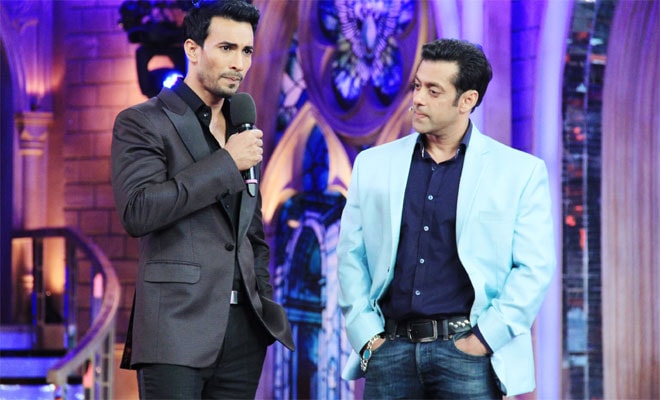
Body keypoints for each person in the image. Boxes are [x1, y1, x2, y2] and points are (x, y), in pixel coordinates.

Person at [337, 38, 556, 399]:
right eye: (417, 86)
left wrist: (484, 340)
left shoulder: (519, 172)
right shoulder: (372, 165)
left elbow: (534, 268)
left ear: (467, 100)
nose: (418, 99)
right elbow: (350, 255)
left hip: (468, 354)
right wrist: (368, 337)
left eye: (433, 90)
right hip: (389, 351)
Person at [111, 1, 294, 399]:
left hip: (243, 334)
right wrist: (226, 163)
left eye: (247, 51)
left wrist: (261, 301)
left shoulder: (243, 126)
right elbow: (138, 210)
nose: (239, 63)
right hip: (175, 329)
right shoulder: (143, 121)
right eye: (226, 48)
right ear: (193, 49)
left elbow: (252, 232)